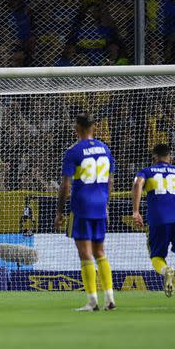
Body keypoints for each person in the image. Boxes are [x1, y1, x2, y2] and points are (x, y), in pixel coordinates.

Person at [55, 112, 116, 311]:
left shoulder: (73, 151)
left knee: (85, 253)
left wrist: (59, 212)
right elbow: (109, 180)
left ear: (77, 129)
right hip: (100, 205)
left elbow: (65, 185)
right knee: (100, 252)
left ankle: (92, 301)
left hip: (82, 205)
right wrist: (106, 204)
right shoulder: (105, 149)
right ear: (94, 128)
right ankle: (110, 299)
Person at [132, 144, 175, 306]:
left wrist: (136, 211)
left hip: (158, 219)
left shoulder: (147, 171)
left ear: (154, 158)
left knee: (157, 256)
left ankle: (166, 271)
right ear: (170, 158)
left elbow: (138, 184)